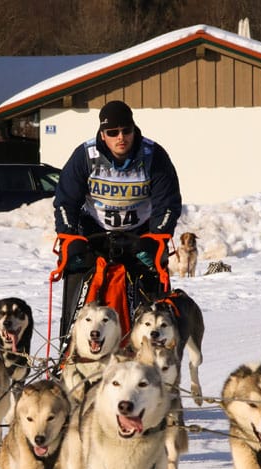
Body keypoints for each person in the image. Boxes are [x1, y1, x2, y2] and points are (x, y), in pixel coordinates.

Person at [53, 100, 182, 341]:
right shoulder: (85, 155)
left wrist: (157, 237)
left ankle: (151, 349)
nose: (120, 137)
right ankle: (70, 346)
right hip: (95, 232)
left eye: (126, 130)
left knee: (150, 289)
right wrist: (69, 236)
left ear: (134, 129)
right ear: (103, 134)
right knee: (80, 278)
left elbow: (168, 203)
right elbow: (65, 201)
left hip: (141, 234)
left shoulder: (154, 156)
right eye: (112, 132)